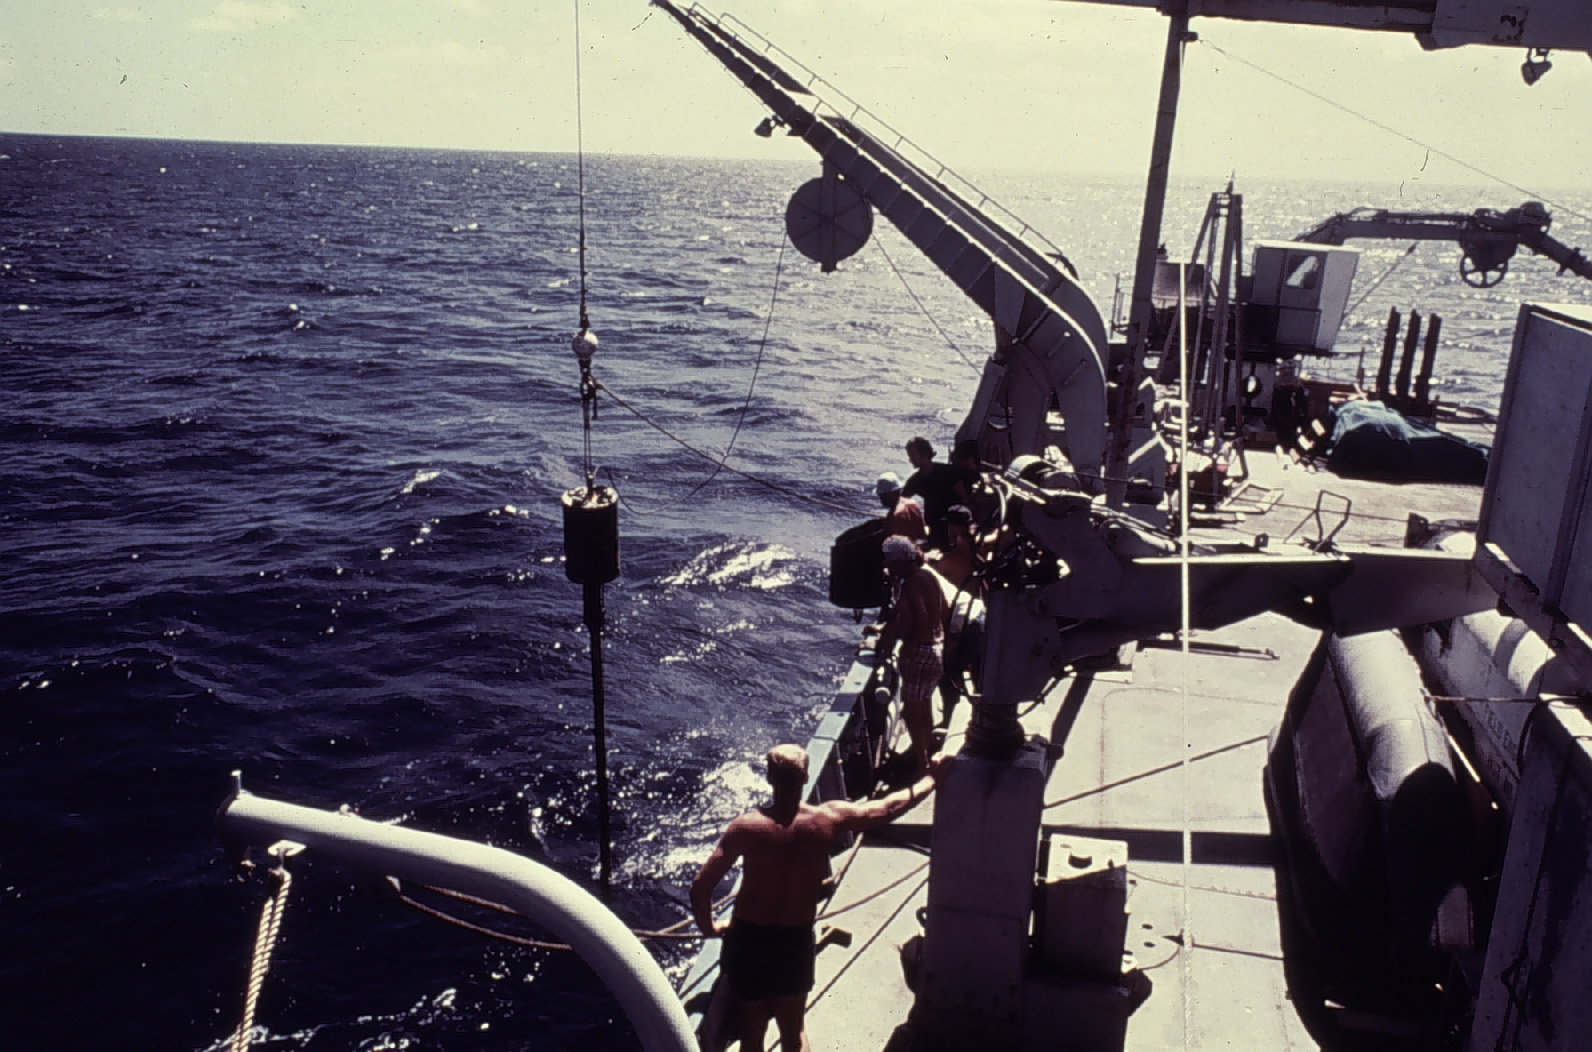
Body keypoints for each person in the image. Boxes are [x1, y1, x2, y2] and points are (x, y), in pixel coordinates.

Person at [692, 744, 949, 1052]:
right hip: (793, 942)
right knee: (793, 1031)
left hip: (749, 942)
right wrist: (932, 779)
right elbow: (887, 808)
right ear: (806, 778)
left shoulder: (746, 827)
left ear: (770, 777)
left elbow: (700, 887)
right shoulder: (828, 820)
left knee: (752, 1034)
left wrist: (711, 929)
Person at [878, 535, 948, 776]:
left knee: (910, 711)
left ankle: (922, 764)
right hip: (936, 650)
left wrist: (903, 641)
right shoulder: (927, 575)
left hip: (919, 652)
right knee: (924, 707)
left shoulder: (909, 584)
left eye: (890, 562)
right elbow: (944, 608)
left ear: (900, 562)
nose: (888, 567)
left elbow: (914, 616)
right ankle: (926, 752)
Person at [931, 505, 985, 725]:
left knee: (947, 672)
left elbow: (941, 574)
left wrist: (931, 562)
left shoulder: (955, 553)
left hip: (959, 623)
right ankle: (979, 715)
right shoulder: (982, 544)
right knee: (979, 673)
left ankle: (947, 719)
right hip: (979, 616)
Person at [901, 437, 966, 549]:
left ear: (924, 454)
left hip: (954, 531)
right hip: (934, 532)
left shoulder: (947, 472)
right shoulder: (916, 480)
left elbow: (964, 498)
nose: (910, 460)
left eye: (912, 455)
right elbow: (901, 501)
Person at [876, 472, 926, 542]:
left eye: (882, 495)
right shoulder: (912, 503)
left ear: (892, 493)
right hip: (919, 545)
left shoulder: (895, 516)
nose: (881, 499)